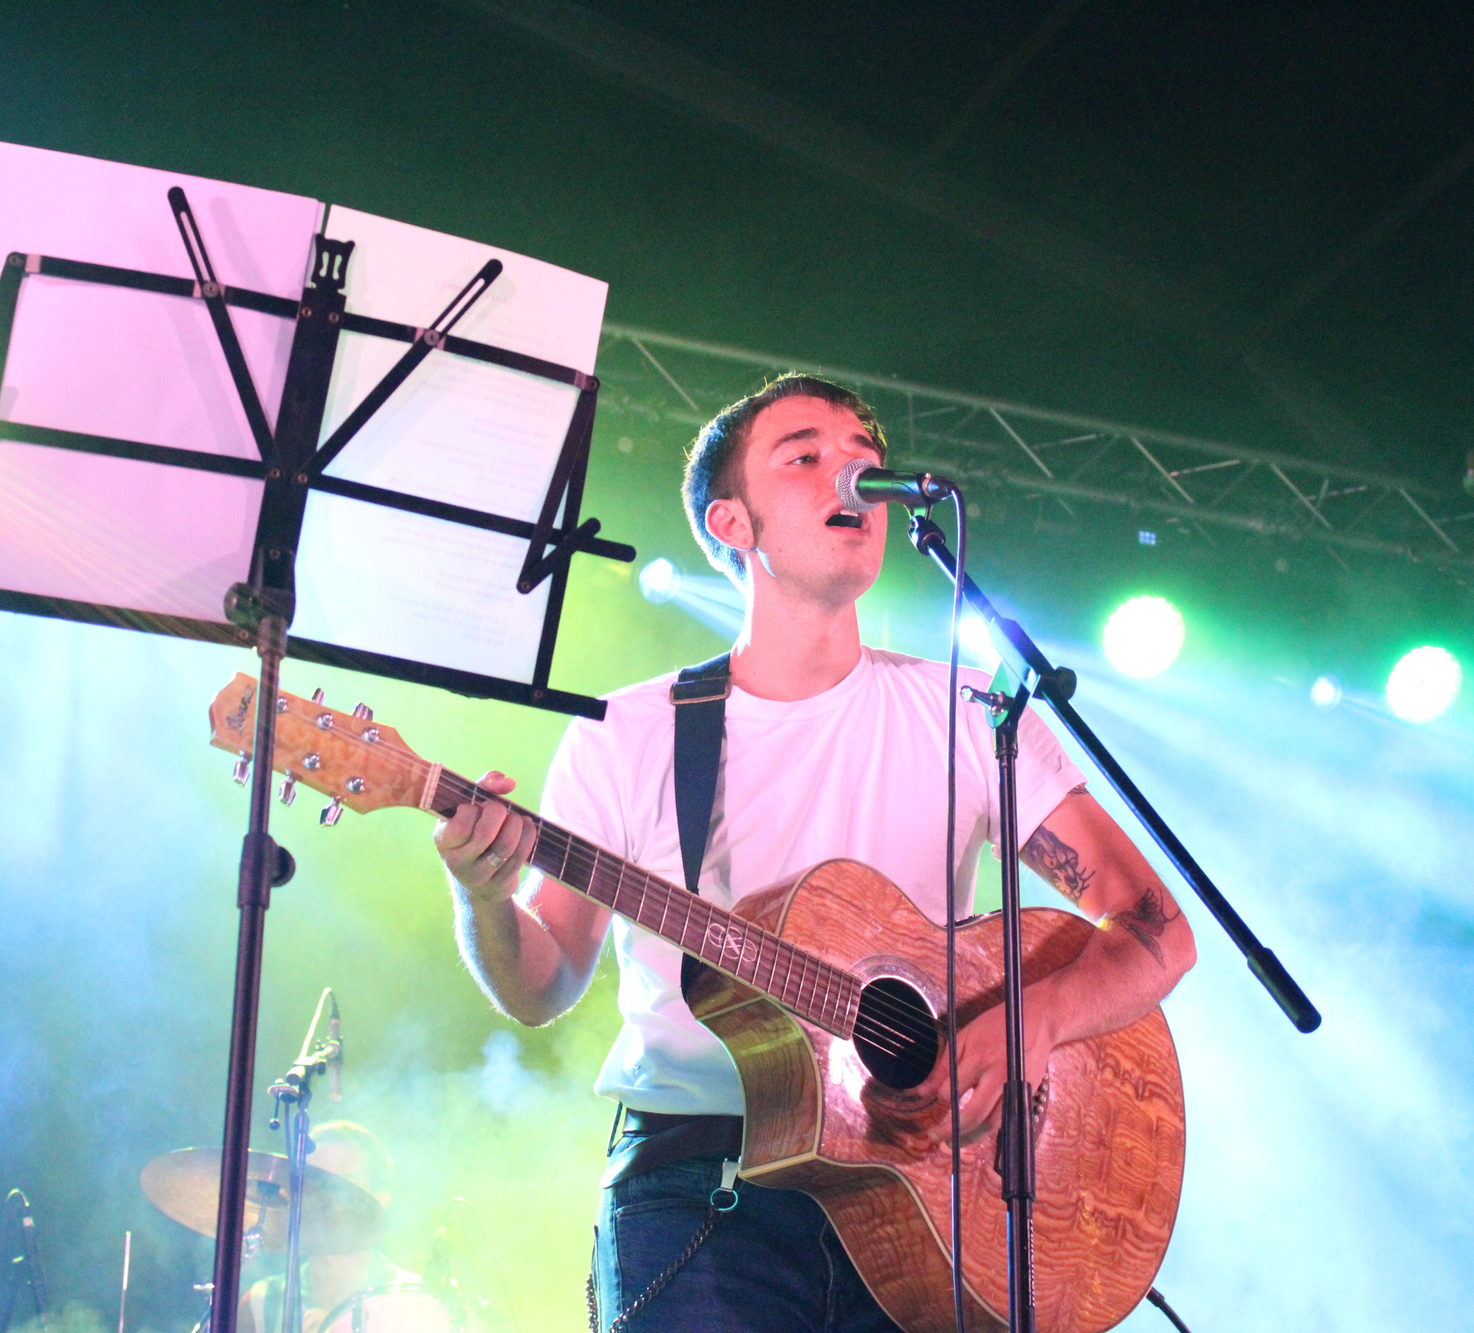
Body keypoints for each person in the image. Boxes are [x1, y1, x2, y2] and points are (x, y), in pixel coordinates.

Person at [433, 375, 1197, 1331]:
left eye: (864, 456)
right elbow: (541, 987)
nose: (853, 470)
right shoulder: (626, 734)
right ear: (733, 523)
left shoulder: (964, 714)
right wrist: (483, 896)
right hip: (702, 1193)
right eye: (804, 455)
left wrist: (1028, 1022)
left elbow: (1159, 931)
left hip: (927, 1188)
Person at [237, 1120, 414, 1333]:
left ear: (381, 1200)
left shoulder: (417, 1302)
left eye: (345, 1180)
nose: (327, 1194)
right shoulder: (262, 1303)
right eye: (315, 1179)